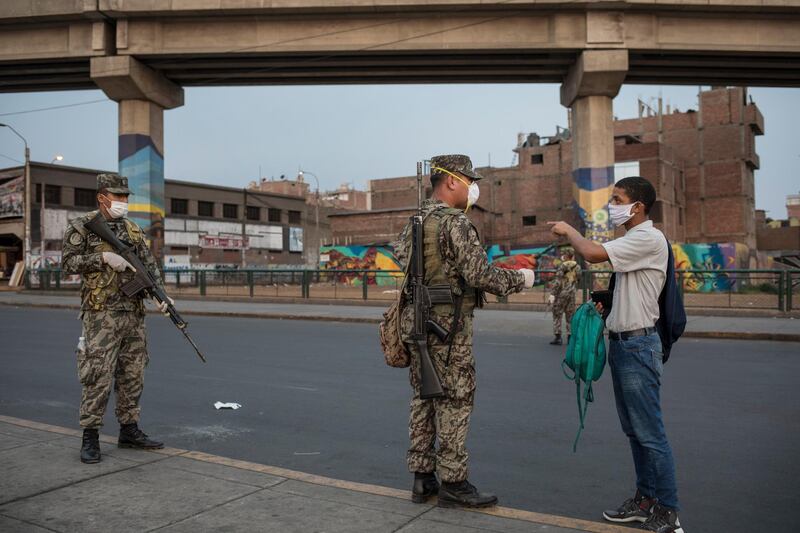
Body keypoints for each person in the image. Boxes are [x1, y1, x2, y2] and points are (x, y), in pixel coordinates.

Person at [393, 155, 535, 508]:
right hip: (448, 327)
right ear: (451, 181)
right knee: (455, 400)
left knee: (424, 397)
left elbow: (403, 261)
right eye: (469, 179)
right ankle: (454, 483)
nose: (474, 187)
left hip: (418, 323)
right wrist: (521, 279)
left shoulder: (415, 221)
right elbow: (480, 275)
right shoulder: (455, 223)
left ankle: (422, 478)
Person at [548, 176, 684, 533]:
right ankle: (644, 501)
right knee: (636, 432)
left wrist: (569, 231)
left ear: (637, 207)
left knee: (650, 433)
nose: (612, 205)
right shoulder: (632, 239)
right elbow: (638, 289)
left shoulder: (647, 238)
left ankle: (668, 512)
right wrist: (609, 302)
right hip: (624, 344)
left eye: (618, 199)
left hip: (639, 347)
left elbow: (592, 253)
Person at [62, 173, 172, 464]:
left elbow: (149, 266)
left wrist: (161, 295)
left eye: (126, 196)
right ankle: (90, 436)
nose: (124, 201)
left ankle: (129, 429)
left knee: (133, 373)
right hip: (101, 316)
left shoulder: (134, 231)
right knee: (97, 375)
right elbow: (67, 263)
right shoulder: (83, 226)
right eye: (118, 196)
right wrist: (102, 258)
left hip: (133, 314)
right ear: (102, 197)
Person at [548, 248, 581, 345]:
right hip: (572, 293)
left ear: (566, 256)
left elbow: (558, 282)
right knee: (570, 316)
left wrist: (552, 294)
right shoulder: (577, 266)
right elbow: (578, 278)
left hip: (561, 294)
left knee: (557, 314)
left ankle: (558, 337)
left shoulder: (562, 266)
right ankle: (570, 337)